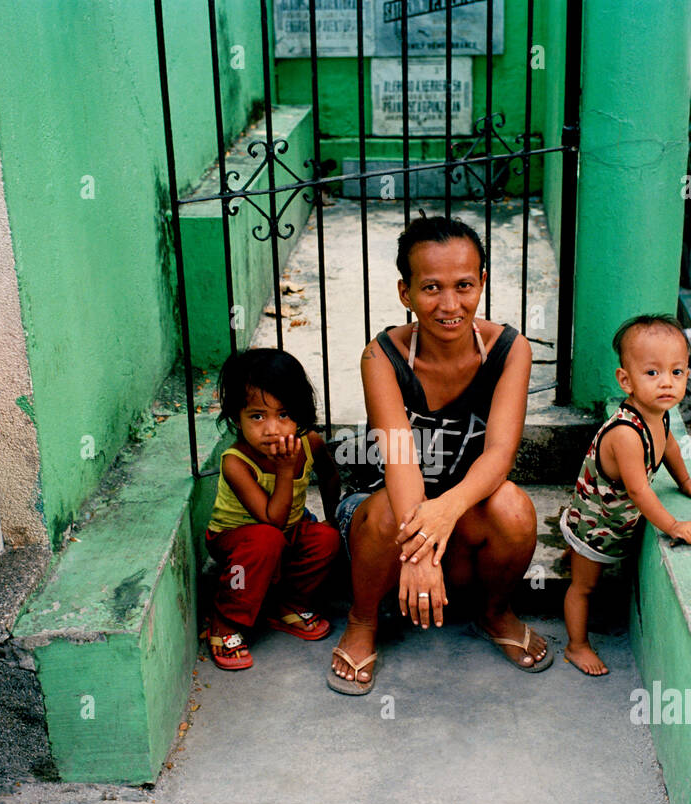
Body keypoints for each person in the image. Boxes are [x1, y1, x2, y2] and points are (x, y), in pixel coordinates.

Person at [329, 215, 547, 695]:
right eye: (431, 288)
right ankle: (363, 620)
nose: (450, 305)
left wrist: (442, 516)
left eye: (464, 285)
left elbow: (499, 455)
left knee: (512, 506)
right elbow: (399, 459)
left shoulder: (510, 350)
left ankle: (493, 614)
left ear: (482, 282)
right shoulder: (381, 357)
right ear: (405, 293)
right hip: (383, 526)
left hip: (458, 520)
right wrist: (420, 546)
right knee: (389, 506)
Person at [560, 315, 691, 675]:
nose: (667, 383)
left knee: (595, 581)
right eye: (652, 373)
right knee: (583, 587)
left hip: (618, 521)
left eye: (677, 372)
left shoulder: (658, 413)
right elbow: (639, 490)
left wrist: (685, 482)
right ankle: (576, 644)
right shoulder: (626, 434)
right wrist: (673, 525)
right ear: (625, 380)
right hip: (595, 526)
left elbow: (670, 447)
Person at [204, 347, 341, 670]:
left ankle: (286, 605)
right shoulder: (236, 463)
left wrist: (334, 520)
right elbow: (272, 520)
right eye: (257, 416)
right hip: (238, 543)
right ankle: (225, 620)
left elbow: (330, 476)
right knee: (266, 540)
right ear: (236, 416)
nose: (272, 429)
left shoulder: (310, 443)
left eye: (284, 415)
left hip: (287, 534)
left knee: (326, 539)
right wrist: (283, 470)